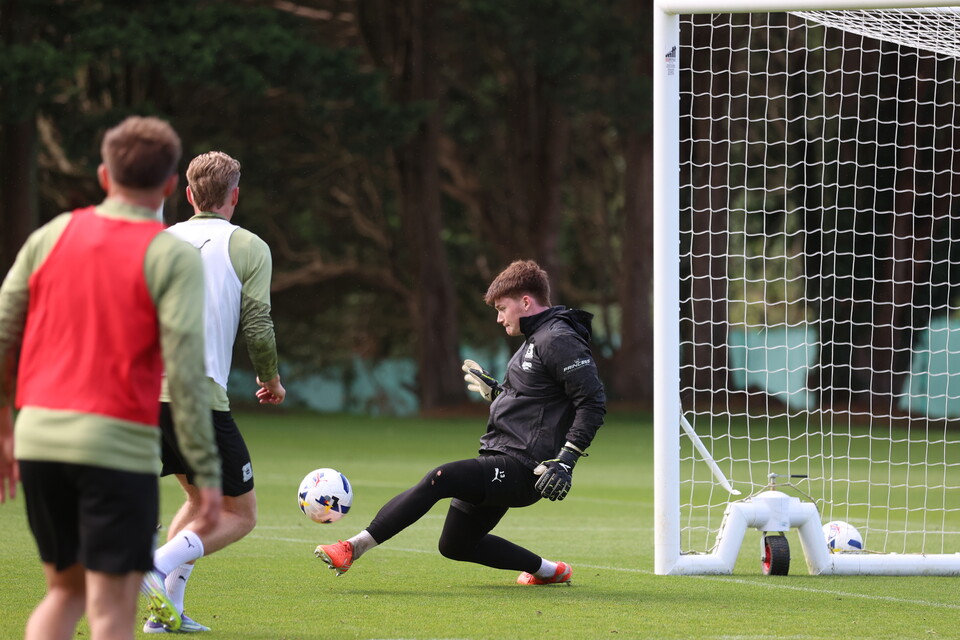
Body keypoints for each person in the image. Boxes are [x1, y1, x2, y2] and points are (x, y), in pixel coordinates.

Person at [0, 116, 222, 640]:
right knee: (112, 606)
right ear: (170, 186)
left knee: (64, 592)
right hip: (116, 447)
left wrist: (6, 427)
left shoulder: (51, 235)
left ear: (104, 176)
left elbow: (5, 332)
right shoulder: (171, 255)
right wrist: (207, 473)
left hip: (41, 441)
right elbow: (185, 375)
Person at [314, 259, 606, 585]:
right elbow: (540, 400)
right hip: (502, 456)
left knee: (441, 478)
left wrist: (566, 460)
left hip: (525, 468)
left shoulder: (557, 338)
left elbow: (592, 402)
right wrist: (499, 394)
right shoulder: (536, 339)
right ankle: (551, 571)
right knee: (456, 544)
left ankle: (352, 548)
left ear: (526, 302)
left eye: (502, 308)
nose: (499, 318)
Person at [143, 151, 286, 633]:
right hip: (197, 396)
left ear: (188, 195)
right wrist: (270, 380)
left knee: (199, 502)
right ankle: (153, 564)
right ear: (235, 196)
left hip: (147, 394)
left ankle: (166, 612)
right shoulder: (250, 246)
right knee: (241, 515)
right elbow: (259, 326)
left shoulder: (158, 242)